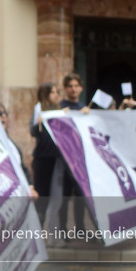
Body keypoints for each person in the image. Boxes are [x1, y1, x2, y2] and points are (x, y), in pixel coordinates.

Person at [29, 83, 66, 246]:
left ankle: (54, 236)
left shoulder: (60, 110)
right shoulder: (39, 109)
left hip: (57, 160)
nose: (56, 95)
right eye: (53, 92)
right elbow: (33, 131)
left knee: (56, 198)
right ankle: (37, 237)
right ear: (45, 94)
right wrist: (38, 123)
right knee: (42, 199)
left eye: (57, 92)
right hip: (43, 160)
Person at [58, 73, 88, 236]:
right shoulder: (61, 107)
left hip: (80, 161)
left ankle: (80, 228)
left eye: (76, 86)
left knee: (80, 198)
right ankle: (62, 230)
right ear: (65, 89)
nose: (73, 89)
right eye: (70, 86)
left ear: (81, 88)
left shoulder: (84, 108)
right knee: (63, 197)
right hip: (65, 161)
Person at [0, 100, 38, 199]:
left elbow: (22, 168)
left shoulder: (11, 144)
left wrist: (30, 187)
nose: (3, 116)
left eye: (5, 113)